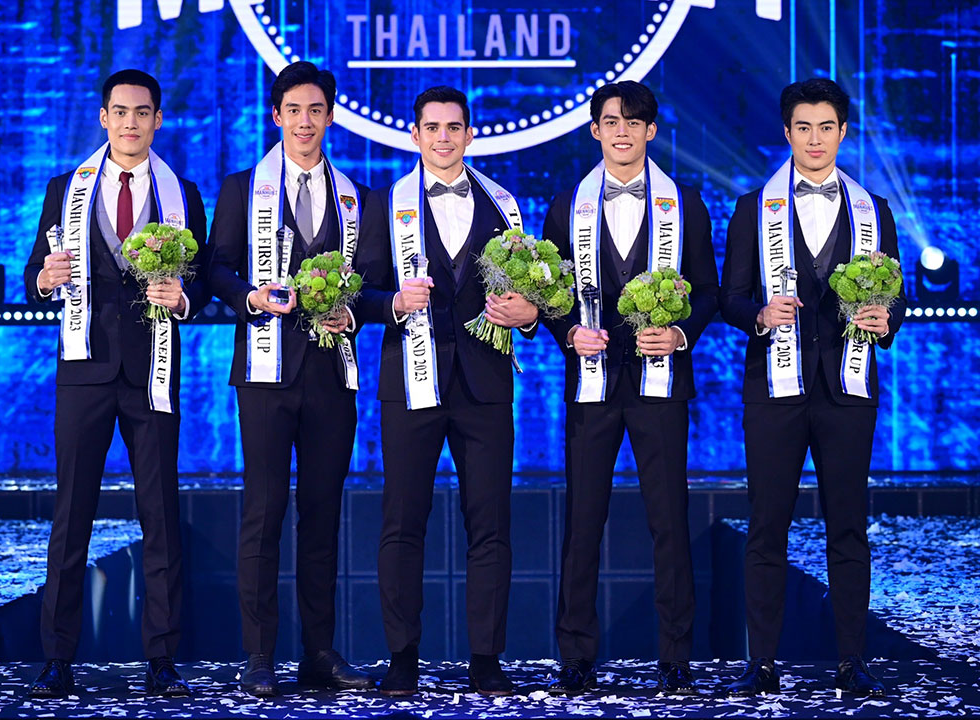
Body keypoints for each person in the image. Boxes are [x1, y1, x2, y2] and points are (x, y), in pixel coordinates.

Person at [24, 69, 207, 698]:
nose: (131, 123)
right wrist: (45, 278)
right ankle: (57, 658)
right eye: (121, 112)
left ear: (158, 120)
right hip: (84, 368)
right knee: (72, 514)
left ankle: (162, 659)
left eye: (143, 112)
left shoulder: (183, 194)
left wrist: (184, 298)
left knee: (160, 515)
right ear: (104, 118)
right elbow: (34, 273)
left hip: (153, 369)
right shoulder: (64, 189)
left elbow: (202, 281)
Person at [720, 77, 906, 698]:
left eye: (827, 127)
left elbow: (897, 298)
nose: (815, 139)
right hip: (774, 389)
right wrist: (758, 314)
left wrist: (886, 319)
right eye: (804, 127)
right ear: (787, 133)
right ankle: (762, 663)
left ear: (843, 132)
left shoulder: (875, 210)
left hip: (847, 388)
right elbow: (729, 296)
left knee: (847, 525)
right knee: (767, 525)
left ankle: (852, 661)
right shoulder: (753, 208)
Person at [354, 86, 538, 697]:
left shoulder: (503, 205)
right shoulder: (385, 205)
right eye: (431, 128)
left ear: (469, 134)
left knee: (490, 524)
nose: (442, 137)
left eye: (453, 127)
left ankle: (486, 658)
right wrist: (391, 301)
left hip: (485, 385)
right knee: (403, 522)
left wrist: (529, 317)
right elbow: (358, 292)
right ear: (415, 135)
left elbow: (530, 296)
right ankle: (402, 657)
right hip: (410, 381)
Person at [540, 81, 719, 695]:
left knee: (669, 521)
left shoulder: (685, 204)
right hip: (591, 384)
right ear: (595, 130)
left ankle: (676, 658)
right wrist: (569, 332)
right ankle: (575, 656)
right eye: (611, 121)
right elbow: (550, 294)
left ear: (651, 131)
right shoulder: (567, 204)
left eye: (633, 121)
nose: (622, 131)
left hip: (660, 385)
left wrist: (681, 333)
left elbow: (709, 291)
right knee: (582, 521)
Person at [206, 61, 373, 698]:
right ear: (276, 115)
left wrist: (352, 312)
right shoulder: (241, 189)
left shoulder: (357, 197)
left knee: (322, 514)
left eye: (316, 111)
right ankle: (259, 654)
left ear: (330, 117)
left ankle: (319, 652)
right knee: (264, 510)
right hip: (265, 370)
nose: (305, 122)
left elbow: (376, 283)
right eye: (294, 110)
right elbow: (216, 269)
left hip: (331, 373)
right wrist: (249, 296)